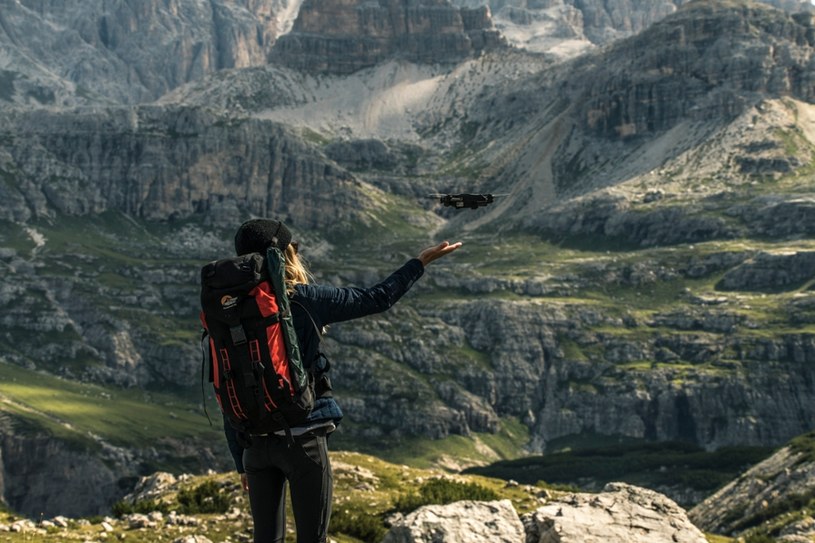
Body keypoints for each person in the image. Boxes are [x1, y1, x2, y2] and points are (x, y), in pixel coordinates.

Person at [223, 218, 462, 543]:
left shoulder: (226, 313)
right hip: (303, 442)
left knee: (265, 539)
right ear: (285, 255)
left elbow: (228, 387)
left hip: (254, 446)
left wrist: (240, 460)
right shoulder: (302, 299)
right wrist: (419, 263)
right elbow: (375, 298)